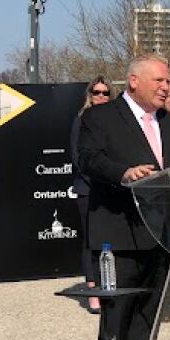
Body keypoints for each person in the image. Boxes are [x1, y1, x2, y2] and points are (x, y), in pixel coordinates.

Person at [78, 54, 170, 340]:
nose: (166, 87)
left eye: (167, 81)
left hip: (160, 236)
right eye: (159, 80)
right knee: (118, 318)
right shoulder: (101, 117)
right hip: (119, 233)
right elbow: (89, 159)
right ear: (134, 81)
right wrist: (123, 173)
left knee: (147, 318)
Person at [70, 76, 111, 313]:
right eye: (97, 92)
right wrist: (97, 180)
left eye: (106, 93)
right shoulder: (81, 120)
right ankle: (93, 291)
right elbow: (77, 157)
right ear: (89, 94)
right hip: (88, 189)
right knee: (90, 241)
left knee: (109, 242)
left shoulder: (116, 121)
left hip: (112, 190)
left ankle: (108, 288)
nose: (101, 97)